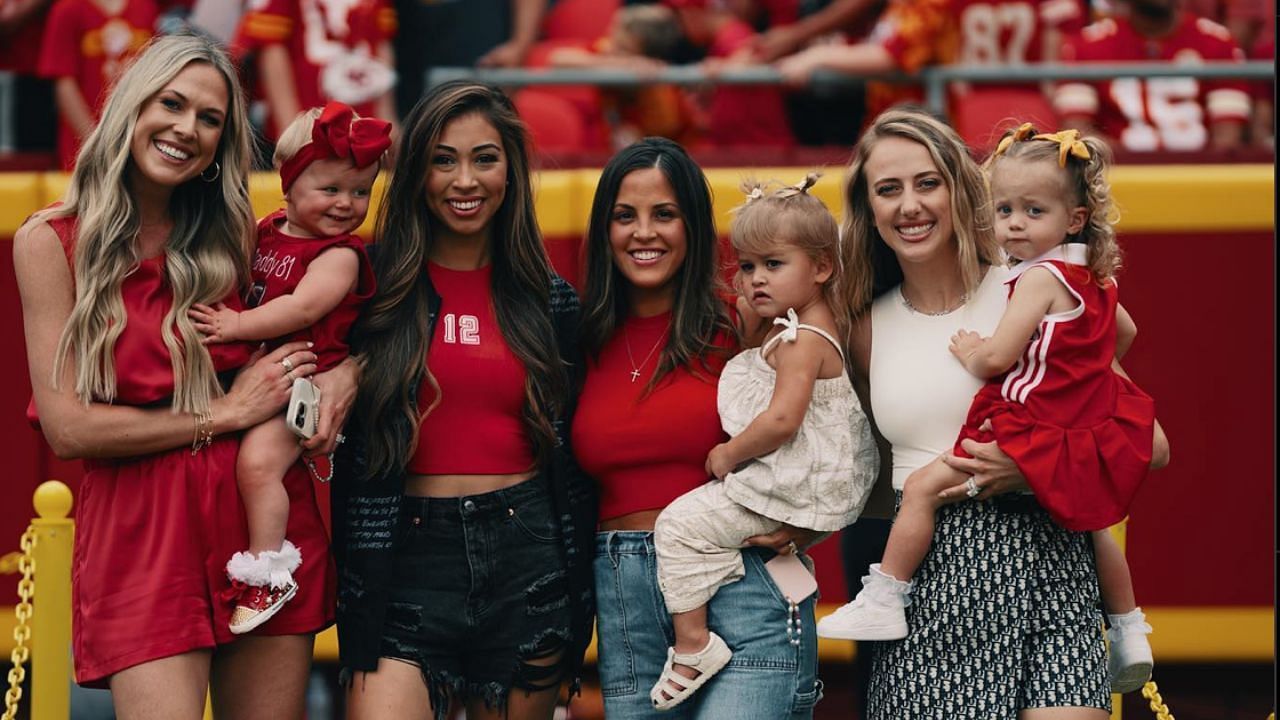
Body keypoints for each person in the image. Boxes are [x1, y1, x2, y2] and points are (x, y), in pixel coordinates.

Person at [14, 32, 343, 718]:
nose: (186, 128)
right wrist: (223, 413)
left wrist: (349, 379)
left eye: (210, 119)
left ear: (222, 146)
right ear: (132, 108)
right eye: (172, 103)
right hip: (140, 537)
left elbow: (361, 312)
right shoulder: (50, 242)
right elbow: (69, 427)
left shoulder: (244, 237)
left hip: (260, 529)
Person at [835, 106, 1170, 719]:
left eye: (927, 182)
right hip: (932, 578)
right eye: (889, 189)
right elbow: (855, 480)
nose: (910, 205)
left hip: (1058, 559)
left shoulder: (1037, 290)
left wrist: (1028, 467)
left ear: (965, 191)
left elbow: (1148, 445)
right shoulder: (862, 328)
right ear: (870, 208)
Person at [330, 80, 597, 720]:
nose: (464, 179)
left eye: (484, 157)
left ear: (510, 169)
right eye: (443, 159)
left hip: (528, 551)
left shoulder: (549, 299)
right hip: (401, 554)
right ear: (418, 171)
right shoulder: (364, 285)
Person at [572, 136, 823, 719]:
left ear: (693, 226)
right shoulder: (578, 335)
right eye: (624, 216)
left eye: (665, 214)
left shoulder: (742, 320)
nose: (644, 233)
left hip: (742, 586)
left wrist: (809, 522)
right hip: (625, 596)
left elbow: (827, 425)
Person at [648, 174, 879, 710]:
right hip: (799, 486)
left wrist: (729, 455)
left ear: (821, 268)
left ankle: (692, 645)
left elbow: (781, 421)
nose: (754, 279)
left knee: (679, 526)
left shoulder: (802, 341)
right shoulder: (795, 326)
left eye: (773, 265)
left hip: (789, 483)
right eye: (747, 266)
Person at [187, 100, 388, 634]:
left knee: (257, 466)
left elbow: (300, 309)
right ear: (289, 183)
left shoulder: (340, 255)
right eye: (331, 189)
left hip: (305, 383)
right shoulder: (269, 228)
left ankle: (269, 570)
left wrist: (232, 328)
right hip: (264, 374)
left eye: (360, 192)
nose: (347, 204)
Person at [1054, 0, 1251, 152]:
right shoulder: (1087, 44)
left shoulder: (1219, 42)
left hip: (1199, 174)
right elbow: (1078, 132)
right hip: (1118, 177)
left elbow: (1227, 140)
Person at [233, 0, 398, 144]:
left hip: (364, 118)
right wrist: (291, 129)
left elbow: (380, 41)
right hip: (309, 118)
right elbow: (271, 47)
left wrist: (386, 118)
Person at [37, 0, 159, 170]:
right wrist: (93, 143)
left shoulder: (146, 7)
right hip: (83, 146)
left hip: (134, 142)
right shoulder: (67, 9)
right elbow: (64, 84)